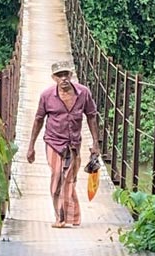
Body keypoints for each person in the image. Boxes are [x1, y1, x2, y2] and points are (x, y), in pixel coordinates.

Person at [26, 61, 100, 228]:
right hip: (53, 141)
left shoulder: (83, 93)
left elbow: (91, 116)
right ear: (54, 78)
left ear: (71, 75)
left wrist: (96, 143)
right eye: (59, 75)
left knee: (69, 179)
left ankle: (71, 216)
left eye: (66, 74)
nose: (64, 78)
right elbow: (38, 119)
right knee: (58, 176)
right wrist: (31, 146)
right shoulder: (47, 96)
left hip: (73, 144)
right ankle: (59, 217)